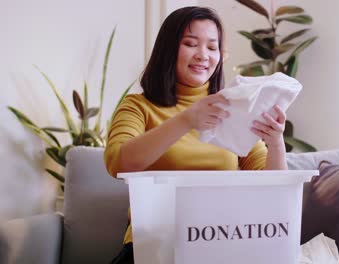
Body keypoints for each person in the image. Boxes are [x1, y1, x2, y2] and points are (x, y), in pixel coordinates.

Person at [104, 6, 287, 264]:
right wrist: (187, 119)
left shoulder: (233, 110)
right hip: (152, 248)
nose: (203, 55)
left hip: (222, 245)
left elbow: (273, 192)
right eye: (191, 44)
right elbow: (119, 163)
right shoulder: (138, 107)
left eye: (212, 48)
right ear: (168, 49)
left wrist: (276, 142)